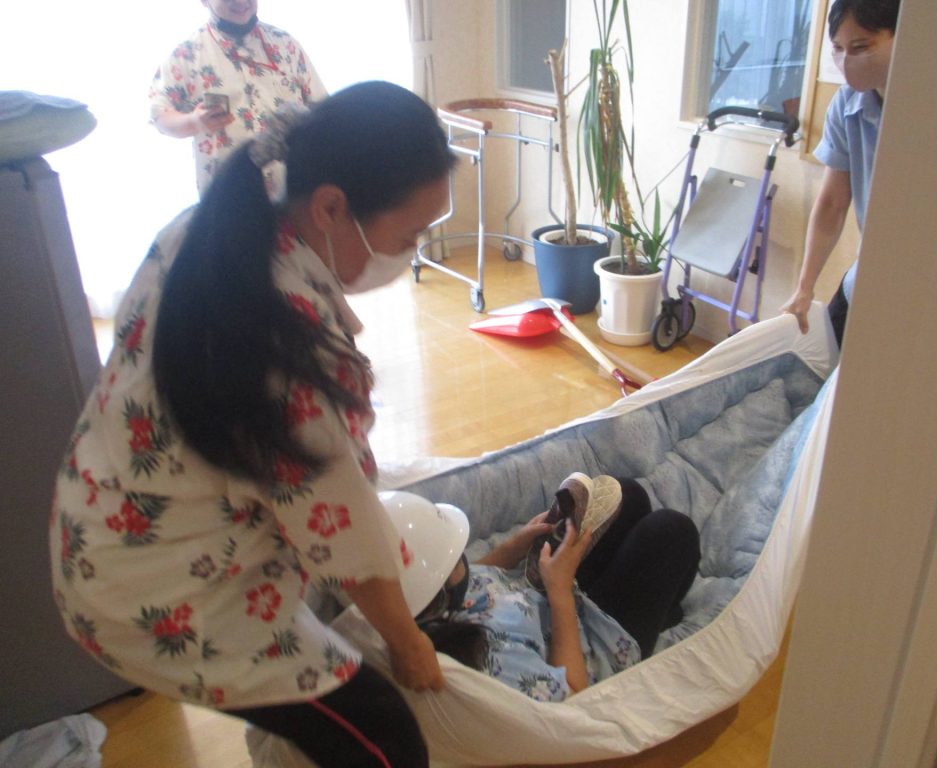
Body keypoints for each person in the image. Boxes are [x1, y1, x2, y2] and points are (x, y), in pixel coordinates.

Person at [49, 81, 457, 768]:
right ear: (331, 207)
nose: (411, 252)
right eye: (409, 235)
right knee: (382, 734)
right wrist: (409, 643)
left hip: (94, 521)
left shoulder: (210, 230)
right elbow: (340, 524)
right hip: (154, 593)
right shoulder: (287, 346)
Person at [383, 475, 702, 702]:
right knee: (673, 532)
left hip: (549, 594)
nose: (464, 560)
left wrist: (514, 546)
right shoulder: (489, 662)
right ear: (438, 595)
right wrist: (560, 591)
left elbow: (474, 575)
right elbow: (572, 694)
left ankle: (647, 597)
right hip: (593, 643)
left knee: (629, 495)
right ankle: (664, 614)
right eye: (456, 561)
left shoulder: (419, 608)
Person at [780, 0, 900, 347]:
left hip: (920, 274)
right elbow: (832, 203)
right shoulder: (847, 105)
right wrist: (804, 288)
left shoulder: (933, 106)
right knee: (828, 347)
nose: (847, 60)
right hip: (870, 266)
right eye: (838, 48)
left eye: (861, 47)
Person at [149, 0, 327, 195]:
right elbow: (160, 116)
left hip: (296, 190)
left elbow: (323, 109)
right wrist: (194, 121)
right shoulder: (186, 55)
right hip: (230, 195)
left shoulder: (285, 44)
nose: (241, 1)